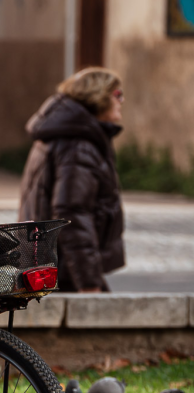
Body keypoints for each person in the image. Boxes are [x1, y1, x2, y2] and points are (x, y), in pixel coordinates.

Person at [19, 67, 126, 293]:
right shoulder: (78, 145)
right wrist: (88, 283)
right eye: (117, 94)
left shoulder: (65, 135)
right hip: (67, 271)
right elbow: (72, 215)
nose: (121, 101)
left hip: (53, 265)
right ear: (97, 97)